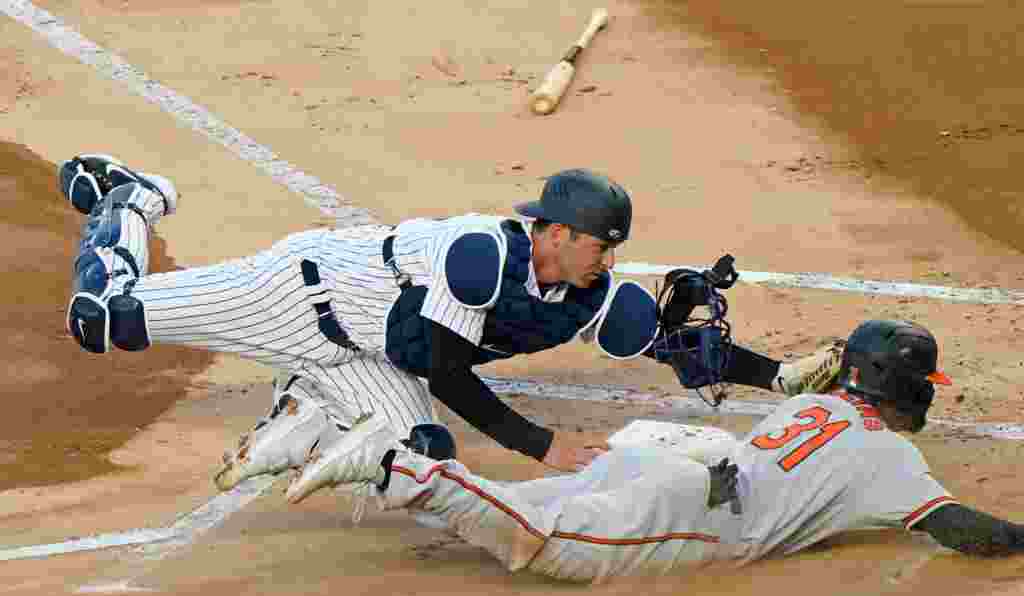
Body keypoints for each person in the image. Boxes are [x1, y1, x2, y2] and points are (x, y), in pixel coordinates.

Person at [60, 154, 838, 488]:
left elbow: (677, 347)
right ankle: (126, 198)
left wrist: (779, 375)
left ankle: (307, 404)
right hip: (296, 296)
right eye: (603, 243)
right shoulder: (476, 257)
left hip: (370, 355)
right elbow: (440, 365)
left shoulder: (588, 292)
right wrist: (538, 444)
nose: (611, 257)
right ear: (558, 235)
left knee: (424, 455)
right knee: (101, 321)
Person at [282, 319, 1024, 583]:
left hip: (663, 465)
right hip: (691, 509)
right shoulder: (890, 460)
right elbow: (957, 526)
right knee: (538, 541)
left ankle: (320, 438)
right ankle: (388, 462)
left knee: (502, 512)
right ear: (909, 388)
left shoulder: (812, 402)